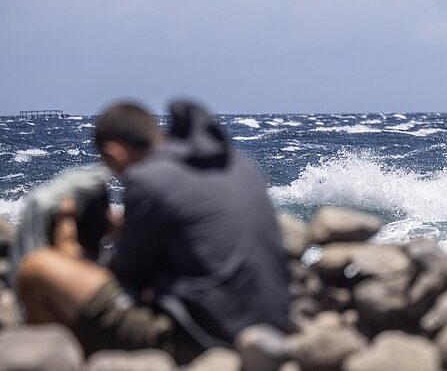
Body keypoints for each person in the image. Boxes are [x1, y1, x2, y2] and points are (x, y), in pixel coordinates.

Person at [15, 100, 290, 363]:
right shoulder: (236, 164)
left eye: (111, 167)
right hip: (270, 322)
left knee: (36, 269)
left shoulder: (147, 180)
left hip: (200, 337)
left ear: (114, 153)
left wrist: (68, 244)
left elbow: (127, 278)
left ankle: (63, 359)